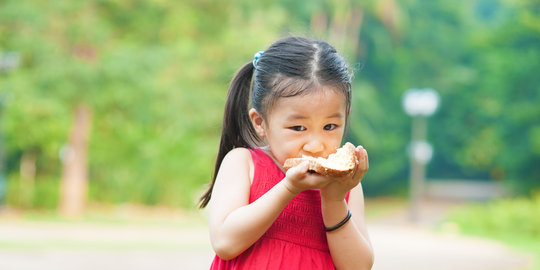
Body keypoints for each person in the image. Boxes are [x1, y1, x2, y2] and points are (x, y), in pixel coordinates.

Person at [199, 36, 373, 270]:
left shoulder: (345, 185)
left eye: (330, 127)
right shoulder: (243, 163)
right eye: (298, 128)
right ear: (260, 122)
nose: (315, 145)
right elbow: (225, 242)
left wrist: (334, 199)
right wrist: (289, 188)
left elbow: (358, 267)